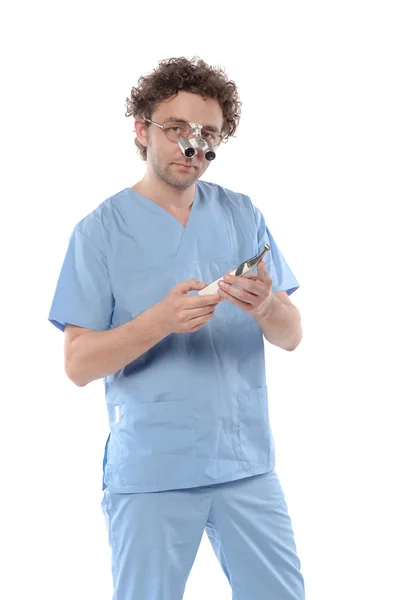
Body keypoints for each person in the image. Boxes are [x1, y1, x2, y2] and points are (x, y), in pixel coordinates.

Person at [48, 56, 305, 600]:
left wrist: (264, 306)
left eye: (208, 134)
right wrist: (158, 323)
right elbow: (77, 365)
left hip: (245, 466)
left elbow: (291, 334)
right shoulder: (99, 232)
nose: (194, 146)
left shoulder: (241, 213)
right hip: (152, 472)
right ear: (141, 130)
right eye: (177, 129)